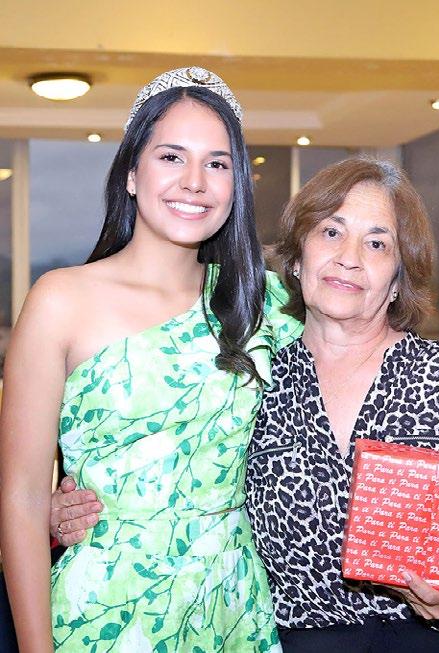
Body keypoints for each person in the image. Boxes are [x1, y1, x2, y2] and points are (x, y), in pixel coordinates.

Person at [0, 67, 302, 653]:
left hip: (231, 606)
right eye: (171, 157)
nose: (195, 182)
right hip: (105, 610)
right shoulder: (60, 300)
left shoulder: (261, 301)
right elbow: (22, 497)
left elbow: (363, 351)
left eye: (217, 164)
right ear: (132, 174)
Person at [244, 157, 439, 652]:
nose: (349, 258)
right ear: (297, 259)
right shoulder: (254, 386)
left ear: (396, 280)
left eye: (376, 243)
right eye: (331, 232)